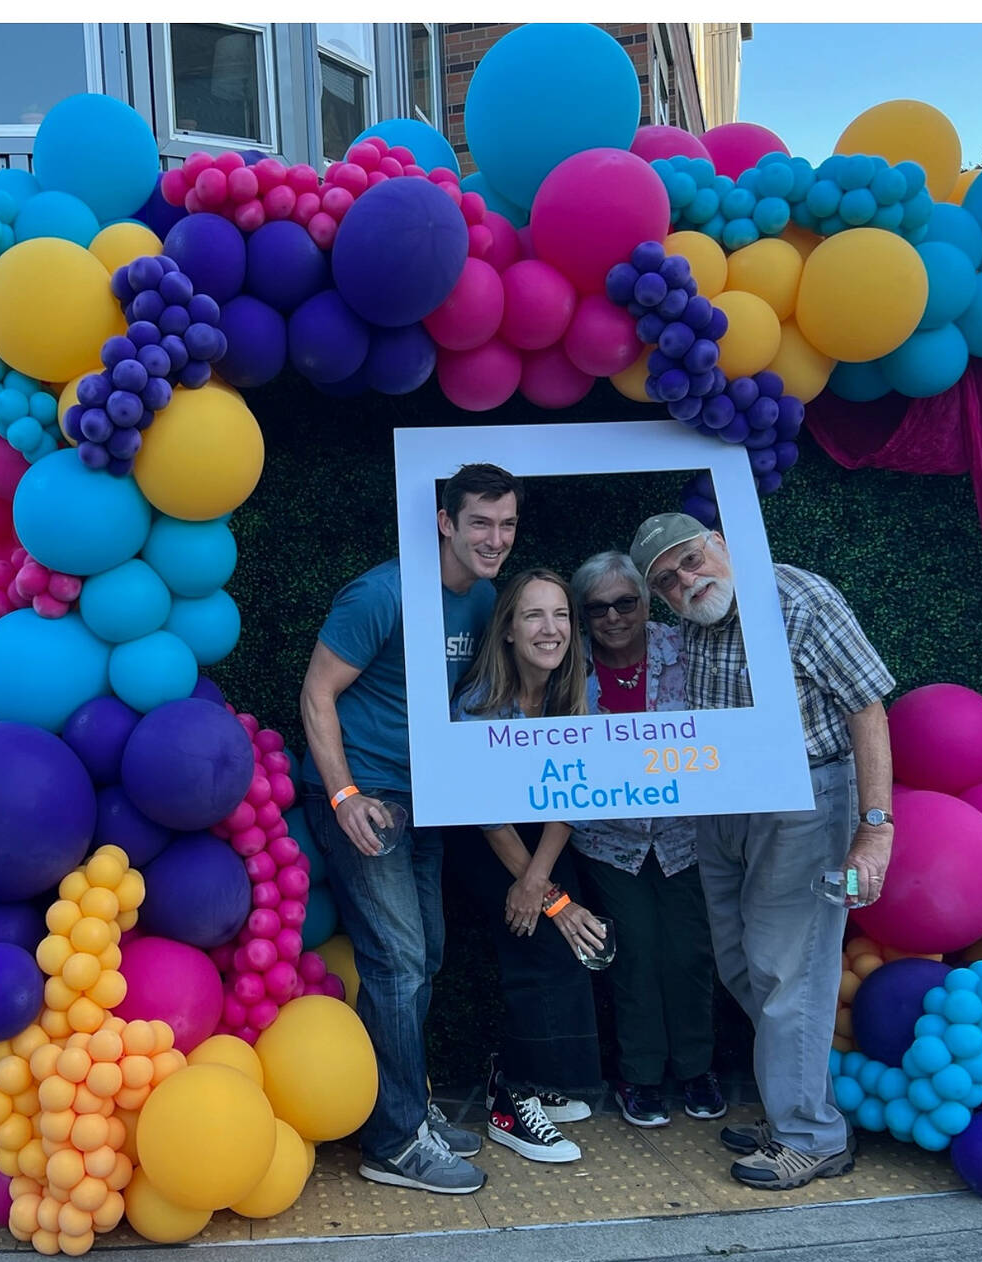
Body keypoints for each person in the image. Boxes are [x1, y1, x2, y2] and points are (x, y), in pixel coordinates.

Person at [630, 512, 896, 1191]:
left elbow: (868, 707)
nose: (686, 581)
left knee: (788, 971)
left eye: (691, 560)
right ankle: (805, 1107)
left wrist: (874, 830)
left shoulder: (799, 600)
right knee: (744, 965)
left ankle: (808, 1135)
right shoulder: (698, 619)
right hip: (727, 802)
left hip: (805, 802)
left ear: (720, 542)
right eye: (668, 581)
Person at [300, 463, 519, 1194]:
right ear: (445, 522)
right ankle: (393, 1142)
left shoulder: (484, 597)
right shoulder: (381, 592)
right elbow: (316, 693)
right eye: (481, 522)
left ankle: (407, 1111)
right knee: (396, 961)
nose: (495, 538)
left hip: (431, 799)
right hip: (369, 794)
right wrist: (343, 796)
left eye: (507, 524)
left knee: (421, 959)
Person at [451, 568, 616, 1162]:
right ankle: (508, 1100)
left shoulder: (579, 689)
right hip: (484, 838)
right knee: (539, 941)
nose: (552, 629)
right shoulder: (478, 701)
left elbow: (577, 793)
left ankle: (541, 1078)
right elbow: (488, 813)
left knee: (572, 932)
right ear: (508, 633)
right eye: (533, 616)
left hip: (546, 838)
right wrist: (540, 896)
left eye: (561, 615)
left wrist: (544, 886)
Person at [565, 550, 724, 1131]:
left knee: (690, 952)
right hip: (608, 840)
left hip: (684, 835)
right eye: (597, 607)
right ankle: (640, 1074)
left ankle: (697, 1068)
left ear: (645, 601)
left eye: (624, 602)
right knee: (632, 954)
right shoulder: (569, 662)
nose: (612, 616)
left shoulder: (683, 646)